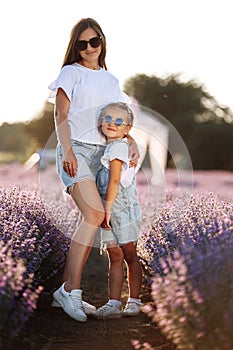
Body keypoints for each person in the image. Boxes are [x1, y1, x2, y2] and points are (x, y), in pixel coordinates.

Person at [48, 18, 139, 323]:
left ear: (102, 41)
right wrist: (69, 151)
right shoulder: (70, 72)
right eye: (82, 43)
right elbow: (61, 114)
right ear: (76, 46)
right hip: (75, 148)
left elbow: (117, 118)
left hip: (103, 154)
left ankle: (64, 293)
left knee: (98, 216)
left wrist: (131, 138)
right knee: (94, 215)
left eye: (94, 41)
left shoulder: (111, 79)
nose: (89, 48)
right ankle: (71, 290)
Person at [90, 102, 143, 319]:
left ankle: (134, 300)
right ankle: (113, 303)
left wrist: (108, 211)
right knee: (114, 254)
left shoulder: (119, 148)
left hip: (119, 208)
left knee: (129, 254)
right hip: (109, 206)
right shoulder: (112, 144)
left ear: (127, 128)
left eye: (119, 121)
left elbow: (114, 181)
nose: (112, 123)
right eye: (108, 119)